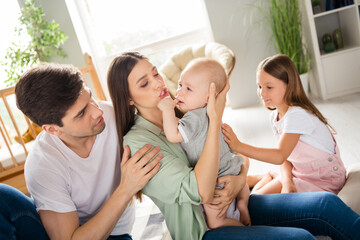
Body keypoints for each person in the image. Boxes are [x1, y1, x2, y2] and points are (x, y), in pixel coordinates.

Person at [107, 51, 360, 240]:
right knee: (300, 238)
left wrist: (239, 181)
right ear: (128, 99)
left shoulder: (183, 107)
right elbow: (201, 192)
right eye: (144, 83)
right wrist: (215, 117)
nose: (158, 83)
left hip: (235, 201)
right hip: (205, 229)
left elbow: (233, 153)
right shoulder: (139, 143)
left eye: (155, 72)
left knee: (325, 205)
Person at [0, 63, 163, 240]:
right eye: (81, 113)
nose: (97, 111)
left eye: (90, 97)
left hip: (115, 233)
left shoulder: (113, 115)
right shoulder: (42, 165)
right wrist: (126, 188)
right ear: (52, 129)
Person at [222, 54, 346, 195]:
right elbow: (286, 159)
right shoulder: (275, 116)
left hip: (325, 181)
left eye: (269, 87)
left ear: (289, 86)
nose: (262, 93)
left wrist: (239, 146)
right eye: (259, 86)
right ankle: (266, 178)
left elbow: (279, 155)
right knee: (255, 198)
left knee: (256, 204)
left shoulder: (297, 115)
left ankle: (265, 178)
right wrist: (287, 183)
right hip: (300, 175)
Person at [157, 58, 250, 227]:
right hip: (233, 169)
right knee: (242, 186)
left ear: (210, 97)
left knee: (215, 221)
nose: (180, 92)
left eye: (189, 89)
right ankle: (243, 203)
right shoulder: (208, 115)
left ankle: (245, 230)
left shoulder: (194, 118)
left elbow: (173, 135)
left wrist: (166, 110)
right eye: (179, 85)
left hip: (218, 182)